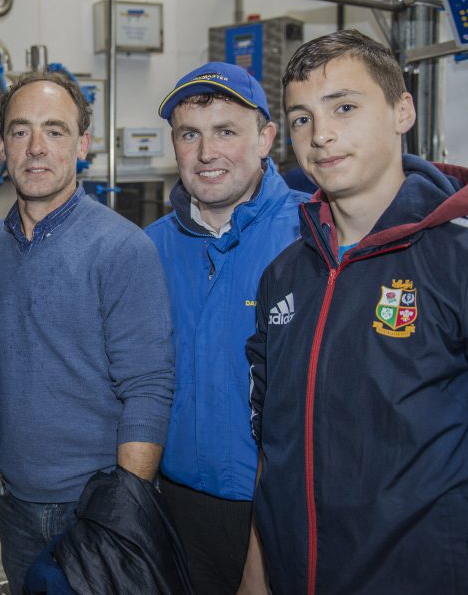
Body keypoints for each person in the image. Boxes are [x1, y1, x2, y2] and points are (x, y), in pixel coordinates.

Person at [240, 29, 468, 594]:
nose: (321, 134)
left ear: (402, 111)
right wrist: (256, 579)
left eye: (344, 107)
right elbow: (273, 453)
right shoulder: (285, 276)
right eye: (301, 119)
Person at [0, 71, 176, 595]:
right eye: (20, 131)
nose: (36, 148)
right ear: (1, 144)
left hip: (95, 507)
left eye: (55, 131)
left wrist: (122, 514)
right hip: (18, 508)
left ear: (83, 145)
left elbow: (148, 388)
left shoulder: (123, 249)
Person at [144, 62, 306, 594]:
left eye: (226, 132)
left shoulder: (313, 236)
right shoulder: (149, 249)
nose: (207, 152)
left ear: (265, 140)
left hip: (285, 513)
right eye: (190, 134)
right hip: (175, 505)